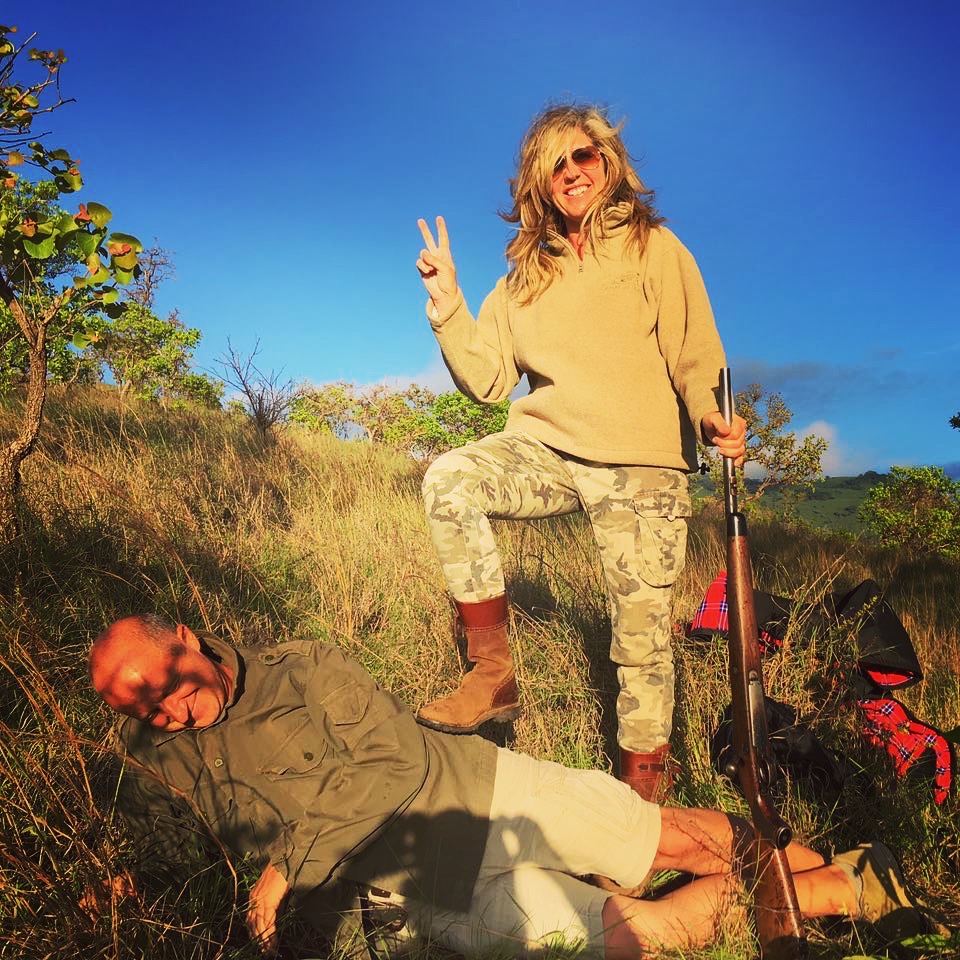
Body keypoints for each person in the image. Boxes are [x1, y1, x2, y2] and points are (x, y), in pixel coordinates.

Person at [88, 615, 928, 957]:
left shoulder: (301, 668)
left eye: (167, 689)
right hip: (419, 889)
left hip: (484, 795)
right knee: (629, 934)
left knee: (659, 839)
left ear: (190, 639)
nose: (168, 713)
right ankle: (847, 888)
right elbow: (171, 852)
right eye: (142, 711)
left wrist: (288, 866)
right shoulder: (160, 757)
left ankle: (829, 863)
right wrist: (118, 888)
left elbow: (394, 767)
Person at [414, 102, 747, 800]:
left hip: (643, 467)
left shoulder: (656, 248)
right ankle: (492, 675)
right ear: (537, 181)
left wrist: (715, 419)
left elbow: (695, 354)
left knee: (641, 645)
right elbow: (487, 380)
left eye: (584, 157)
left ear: (609, 164)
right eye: (556, 163)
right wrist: (449, 305)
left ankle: (640, 808)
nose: (572, 171)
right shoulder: (523, 276)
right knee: (450, 479)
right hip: (547, 452)